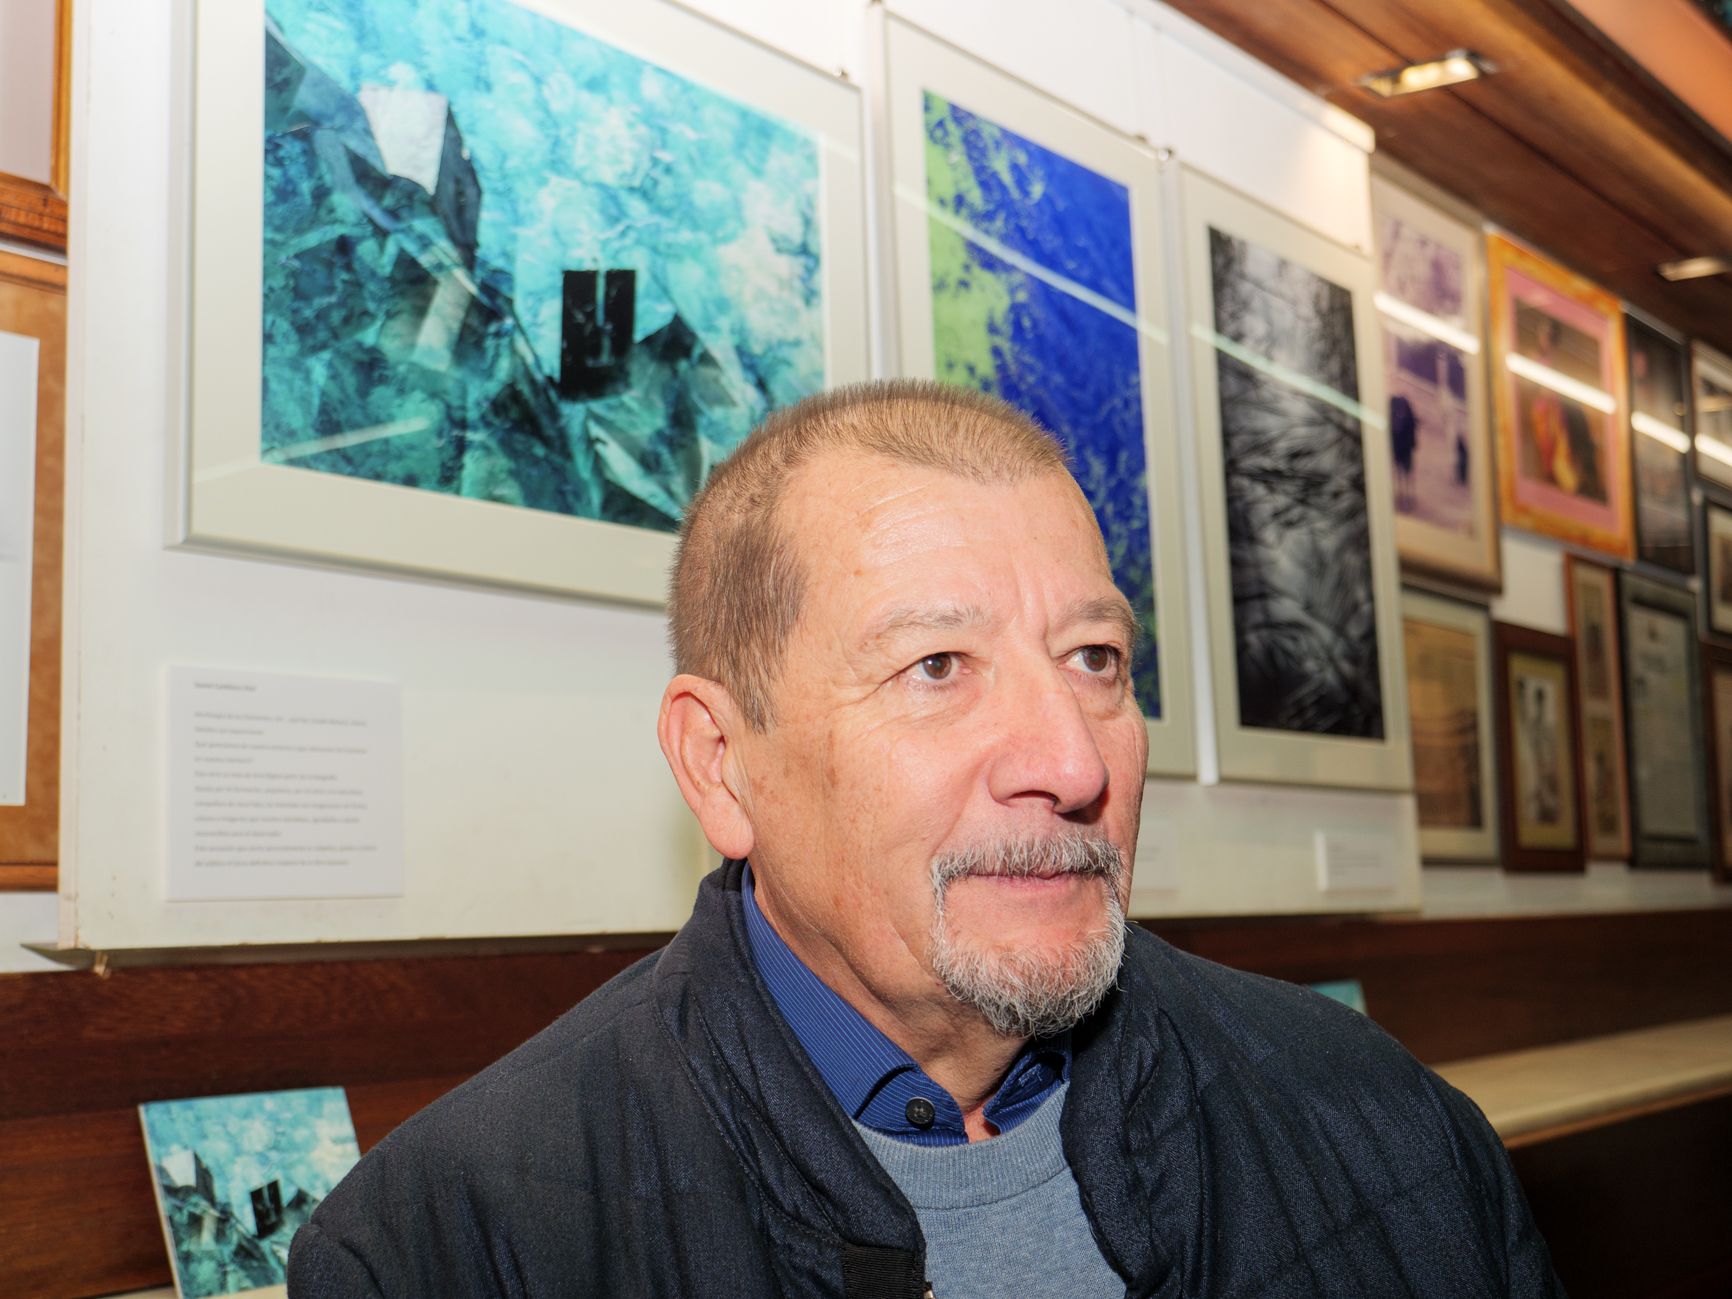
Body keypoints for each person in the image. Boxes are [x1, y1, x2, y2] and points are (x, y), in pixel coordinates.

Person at [288, 381, 1562, 1298]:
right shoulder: (445, 1245)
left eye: (1096, 658)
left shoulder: (1385, 1127)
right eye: (937, 664)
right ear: (722, 766)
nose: (1070, 764)